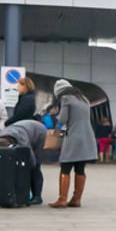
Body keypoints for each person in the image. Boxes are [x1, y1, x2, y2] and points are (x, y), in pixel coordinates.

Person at [49, 79, 97, 208]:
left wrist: (57, 123)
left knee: (65, 165)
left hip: (74, 136)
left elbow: (64, 118)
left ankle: (62, 199)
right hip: (87, 136)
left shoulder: (66, 98)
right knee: (80, 168)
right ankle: (76, 199)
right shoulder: (84, 99)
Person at [0, 118, 48, 205]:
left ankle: (37, 196)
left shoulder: (22, 141)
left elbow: (32, 162)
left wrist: (23, 170)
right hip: (21, 127)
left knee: (36, 167)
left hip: (39, 131)